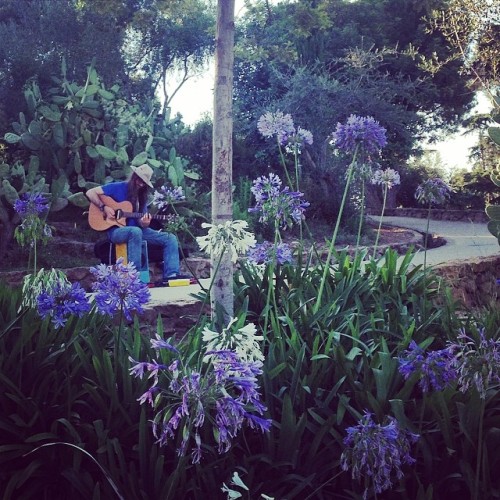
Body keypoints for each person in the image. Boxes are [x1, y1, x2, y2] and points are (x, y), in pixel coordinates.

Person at [86, 164, 185, 281]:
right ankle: (134, 277)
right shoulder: (118, 187)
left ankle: (171, 275)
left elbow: (141, 222)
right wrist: (104, 207)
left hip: (137, 230)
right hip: (116, 231)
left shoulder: (141, 197)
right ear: (134, 177)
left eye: (144, 183)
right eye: (139, 180)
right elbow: (90, 192)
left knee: (170, 238)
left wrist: (145, 223)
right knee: (135, 231)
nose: (141, 184)